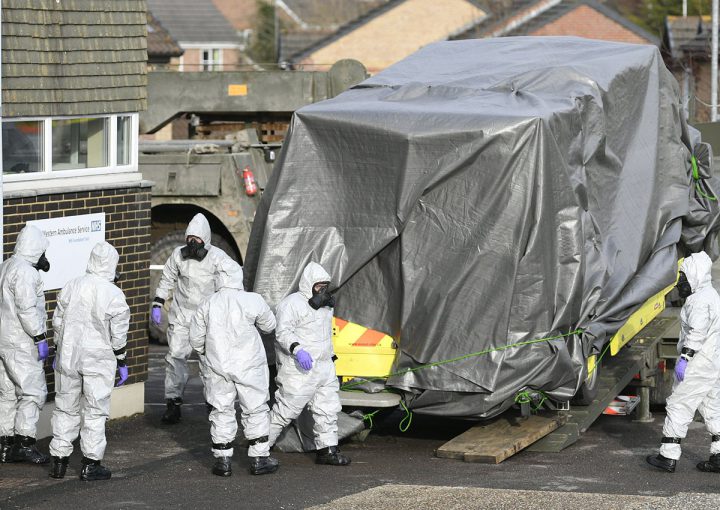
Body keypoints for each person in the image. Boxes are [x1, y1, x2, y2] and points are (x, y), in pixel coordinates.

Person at [48, 242, 130, 481]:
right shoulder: (113, 293)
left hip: (69, 356)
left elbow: (58, 321)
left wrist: (57, 347)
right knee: (95, 411)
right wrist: (121, 359)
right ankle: (90, 465)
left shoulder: (72, 285)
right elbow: (119, 332)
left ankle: (59, 462)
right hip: (98, 360)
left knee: (65, 407)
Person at [189, 259, 279, 477]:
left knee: (221, 409)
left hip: (217, 365)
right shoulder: (252, 300)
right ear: (239, 276)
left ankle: (223, 461)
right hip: (249, 364)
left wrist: (206, 353)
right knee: (256, 408)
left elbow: (195, 339)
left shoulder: (208, 303)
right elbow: (270, 326)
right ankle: (259, 458)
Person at [151, 213, 232, 424]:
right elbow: (167, 278)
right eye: (189, 238)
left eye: (196, 239)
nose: (192, 243)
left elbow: (231, 284)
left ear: (205, 239)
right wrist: (158, 303)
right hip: (182, 316)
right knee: (175, 358)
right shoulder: (178, 255)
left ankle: (212, 403)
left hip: (208, 319)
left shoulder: (219, 258)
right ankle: (173, 402)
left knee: (210, 362)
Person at [267, 262, 350, 466]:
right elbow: (282, 333)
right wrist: (297, 349)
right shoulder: (291, 304)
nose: (323, 290)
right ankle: (259, 447)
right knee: (285, 410)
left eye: (325, 285)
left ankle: (327, 450)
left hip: (323, 366)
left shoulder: (324, 307)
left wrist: (328, 357)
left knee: (327, 409)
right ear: (309, 284)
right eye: (319, 285)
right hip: (299, 369)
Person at [647, 251, 720, 473]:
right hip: (712, 362)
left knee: (678, 404)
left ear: (695, 275)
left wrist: (685, 358)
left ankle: (667, 456)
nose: (681, 282)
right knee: (713, 407)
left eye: (684, 277)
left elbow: (697, 332)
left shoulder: (698, 300)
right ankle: (718, 456)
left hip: (697, 363)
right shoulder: (711, 295)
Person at [0, 224, 51, 465]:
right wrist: (40, 337)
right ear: (35, 249)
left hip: (4, 341)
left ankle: (5, 443)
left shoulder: (5, 266)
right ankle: (24, 443)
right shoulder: (25, 272)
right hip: (21, 341)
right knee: (33, 390)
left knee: (7, 393)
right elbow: (27, 308)